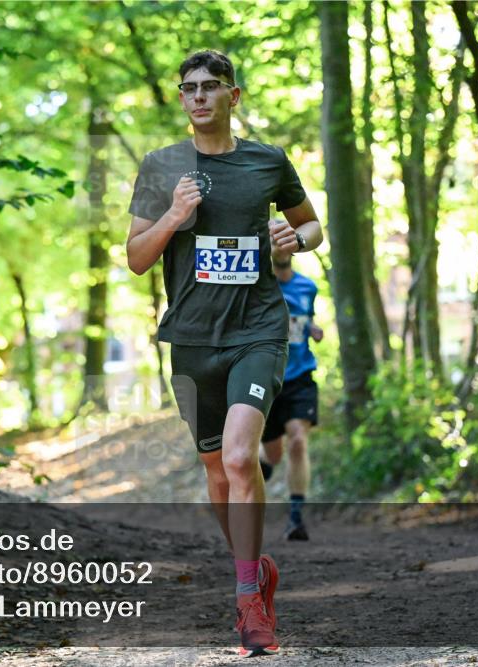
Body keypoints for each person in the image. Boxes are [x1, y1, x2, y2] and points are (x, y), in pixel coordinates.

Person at [125, 50, 323, 656]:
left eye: (212, 87)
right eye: (189, 89)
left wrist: (298, 237)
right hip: (190, 339)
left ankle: (248, 607)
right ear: (181, 99)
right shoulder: (161, 168)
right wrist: (176, 215)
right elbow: (136, 257)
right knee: (217, 472)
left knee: (241, 459)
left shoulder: (267, 161)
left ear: (233, 96)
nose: (200, 96)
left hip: (259, 330)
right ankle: (254, 570)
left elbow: (312, 227)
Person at [259, 235, 323, 542]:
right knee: (272, 456)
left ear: (293, 247)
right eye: (273, 242)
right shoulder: (257, 286)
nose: (280, 248)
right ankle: (260, 469)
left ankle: (296, 518)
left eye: (284, 241)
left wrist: (312, 328)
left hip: (300, 377)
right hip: (266, 380)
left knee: (298, 440)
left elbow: (305, 321)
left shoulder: (308, 287)